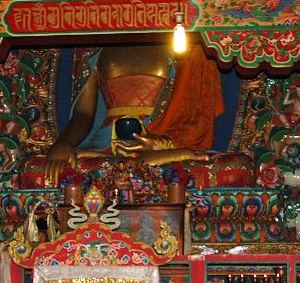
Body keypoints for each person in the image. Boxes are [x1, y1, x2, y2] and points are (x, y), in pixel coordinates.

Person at [41, 43, 222, 186]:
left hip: (161, 150)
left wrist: (161, 143)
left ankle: (147, 161)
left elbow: (198, 118)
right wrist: (63, 143)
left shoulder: (188, 43)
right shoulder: (95, 40)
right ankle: (138, 165)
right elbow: (83, 114)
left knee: (236, 165)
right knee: (38, 169)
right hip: (105, 150)